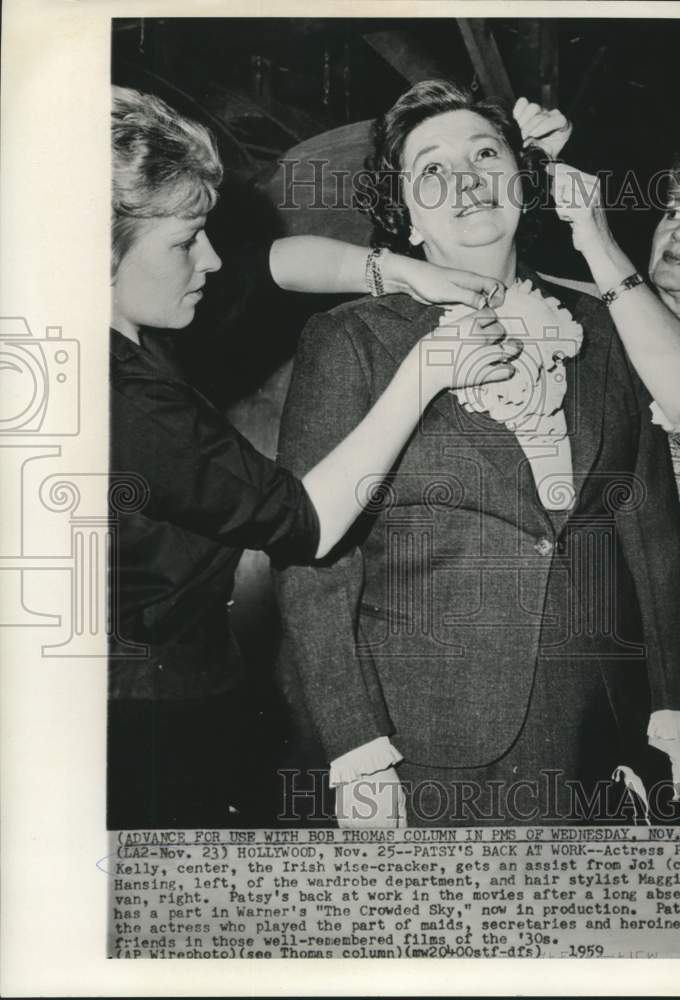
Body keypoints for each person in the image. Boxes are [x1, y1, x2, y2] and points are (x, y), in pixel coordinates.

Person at [274, 79, 680, 829]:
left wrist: (672, 710)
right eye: (431, 169)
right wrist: (356, 748)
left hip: (602, 726)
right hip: (426, 735)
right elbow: (314, 568)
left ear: (524, 180)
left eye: (484, 154)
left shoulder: (607, 327)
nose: (466, 179)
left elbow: (650, 527)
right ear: (404, 214)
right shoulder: (351, 341)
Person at [107, 85, 522, 828]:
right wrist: (424, 372)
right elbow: (305, 521)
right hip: (142, 716)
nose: (211, 257)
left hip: (193, 678)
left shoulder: (125, 314)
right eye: (185, 242)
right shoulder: (121, 401)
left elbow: (270, 262)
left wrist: (403, 272)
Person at [541, 128, 680, 816]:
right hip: (568, 614)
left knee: (671, 837)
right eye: (674, 212)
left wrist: (598, 240)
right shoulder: (581, 321)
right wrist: (529, 160)